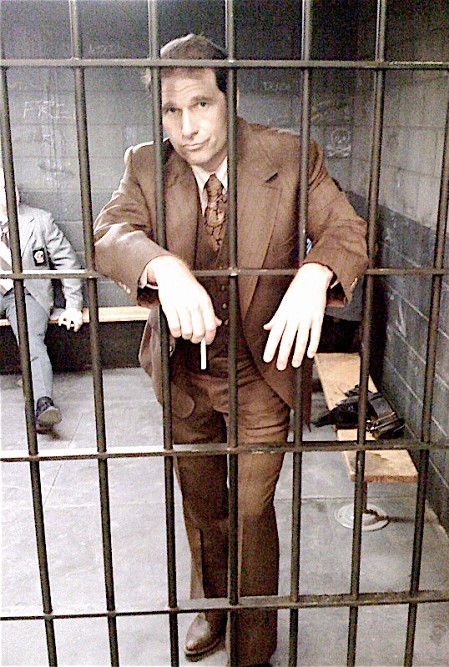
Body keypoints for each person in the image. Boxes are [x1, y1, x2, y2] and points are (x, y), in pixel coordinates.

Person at [94, 34, 368, 667]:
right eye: (171, 110)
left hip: (260, 372)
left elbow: (346, 227)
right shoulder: (146, 164)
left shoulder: (290, 155)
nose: (187, 127)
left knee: (249, 512)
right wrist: (163, 266)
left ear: (229, 98)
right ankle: (213, 606)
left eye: (201, 104)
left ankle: (254, 643)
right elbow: (111, 233)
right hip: (184, 373)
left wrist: (315, 272)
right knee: (202, 507)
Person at [0, 168, 84, 433]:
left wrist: (73, 306)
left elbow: (67, 261)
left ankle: (42, 405)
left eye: (9, 187)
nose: (6, 193)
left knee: (31, 341)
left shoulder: (39, 220)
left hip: (25, 293)